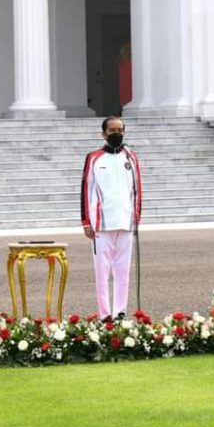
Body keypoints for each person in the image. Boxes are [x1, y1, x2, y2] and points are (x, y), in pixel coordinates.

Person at [81, 116, 142, 319]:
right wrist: (86, 221)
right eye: (112, 130)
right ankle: (105, 314)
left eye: (120, 130)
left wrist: (136, 219)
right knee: (102, 272)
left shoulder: (130, 158)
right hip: (101, 223)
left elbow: (137, 191)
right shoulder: (94, 158)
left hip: (125, 221)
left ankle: (120, 312)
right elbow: (86, 189)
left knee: (123, 271)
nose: (116, 134)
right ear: (104, 134)